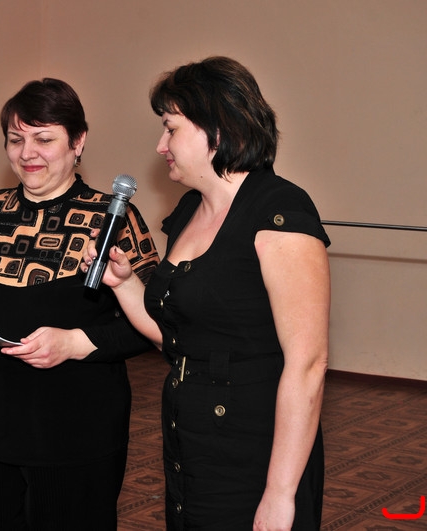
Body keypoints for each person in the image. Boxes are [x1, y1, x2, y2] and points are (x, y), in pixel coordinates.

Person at [82, 56, 330, 530]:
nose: (161, 146)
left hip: (256, 448)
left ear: (217, 129)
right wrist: (126, 284)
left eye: (170, 128)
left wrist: (280, 495)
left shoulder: (279, 210)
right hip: (191, 442)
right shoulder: (190, 209)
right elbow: (178, 337)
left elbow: (308, 364)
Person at [0, 78, 159, 531]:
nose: (27, 153)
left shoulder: (113, 219)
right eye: (16, 139)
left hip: (76, 434)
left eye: (44, 139)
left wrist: (76, 343)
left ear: (78, 142)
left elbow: (154, 322)